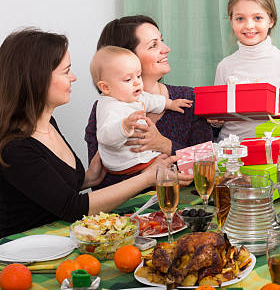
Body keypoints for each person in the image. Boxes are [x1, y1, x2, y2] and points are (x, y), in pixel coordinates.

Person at [0, 29, 192, 238]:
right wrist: (146, 178)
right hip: (24, 251)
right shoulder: (15, 145)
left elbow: (46, 190)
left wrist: (87, 179)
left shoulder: (47, 122)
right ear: (37, 78)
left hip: (60, 240)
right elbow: (73, 207)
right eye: (66, 71)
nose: (73, 78)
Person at [85, 15, 213, 188]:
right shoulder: (107, 109)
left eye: (162, 41)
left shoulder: (188, 99)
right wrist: (145, 176)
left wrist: (165, 145)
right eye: (154, 45)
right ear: (125, 56)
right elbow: (101, 183)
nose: (166, 49)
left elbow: (208, 166)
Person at [213, 0, 280, 140]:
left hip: (274, 151)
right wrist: (214, 121)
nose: (249, 26)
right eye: (240, 18)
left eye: (257, 18)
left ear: (271, 20)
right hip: (230, 151)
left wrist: (278, 107)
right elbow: (217, 116)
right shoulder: (225, 66)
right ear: (231, 21)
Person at [90, 46, 192, 174]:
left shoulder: (133, 95)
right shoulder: (109, 107)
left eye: (138, 76)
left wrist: (170, 103)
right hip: (127, 162)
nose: (137, 82)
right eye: (128, 79)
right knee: (163, 167)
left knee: (166, 162)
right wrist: (124, 126)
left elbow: (150, 100)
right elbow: (105, 136)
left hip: (144, 156)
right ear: (105, 87)